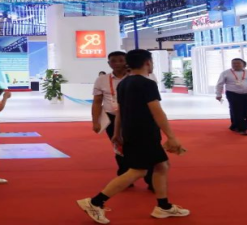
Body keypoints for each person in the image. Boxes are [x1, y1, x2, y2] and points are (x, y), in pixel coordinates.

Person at [78, 49, 189, 224]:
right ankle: (95, 202)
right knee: (139, 170)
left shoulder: (124, 83)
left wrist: (117, 132)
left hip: (132, 131)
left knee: (162, 165)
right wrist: (171, 136)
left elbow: (120, 111)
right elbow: (157, 112)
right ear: (147, 63)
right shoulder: (147, 84)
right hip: (144, 133)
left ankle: (163, 206)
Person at [92, 51, 153, 190]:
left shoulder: (138, 77)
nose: (118, 63)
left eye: (121, 60)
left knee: (143, 147)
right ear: (109, 63)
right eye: (114, 61)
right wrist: (95, 121)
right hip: (112, 118)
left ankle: (151, 179)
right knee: (119, 148)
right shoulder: (102, 80)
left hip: (135, 118)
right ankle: (124, 178)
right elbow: (97, 102)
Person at [216, 58, 247, 136]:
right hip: (232, 94)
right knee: (237, 111)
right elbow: (219, 84)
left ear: (243, 64)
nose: (235, 65)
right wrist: (218, 94)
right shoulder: (225, 73)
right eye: (233, 63)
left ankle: (240, 125)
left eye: (238, 63)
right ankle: (242, 129)